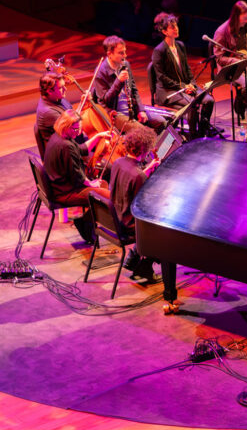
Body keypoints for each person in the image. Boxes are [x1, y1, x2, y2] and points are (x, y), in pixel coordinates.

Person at [43, 110, 112, 244]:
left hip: (63, 186)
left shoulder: (59, 137)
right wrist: (91, 184)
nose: (79, 132)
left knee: (103, 185)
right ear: (66, 126)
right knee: (106, 197)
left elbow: (80, 149)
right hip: (66, 192)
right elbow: (77, 176)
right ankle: (84, 224)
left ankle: (85, 222)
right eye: (75, 129)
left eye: (80, 127)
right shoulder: (65, 146)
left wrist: (98, 136)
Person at [108, 127, 162, 285]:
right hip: (129, 224)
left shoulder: (118, 163)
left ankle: (134, 256)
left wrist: (148, 169)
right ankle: (144, 266)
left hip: (116, 216)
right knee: (165, 229)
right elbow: (143, 208)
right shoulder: (138, 176)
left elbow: (130, 182)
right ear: (145, 150)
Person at [151, 12, 214, 138]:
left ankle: (202, 132)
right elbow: (162, 77)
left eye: (176, 26)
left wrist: (192, 85)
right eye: (172, 27)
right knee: (193, 104)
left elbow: (187, 69)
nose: (176, 29)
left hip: (184, 87)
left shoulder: (180, 45)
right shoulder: (159, 50)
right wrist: (183, 86)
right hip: (168, 92)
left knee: (209, 100)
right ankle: (193, 136)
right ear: (164, 31)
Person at [91, 35, 166, 133]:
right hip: (115, 114)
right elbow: (106, 101)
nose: (125, 55)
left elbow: (134, 89)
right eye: (121, 53)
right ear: (109, 54)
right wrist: (118, 81)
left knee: (161, 122)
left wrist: (141, 110)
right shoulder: (100, 72)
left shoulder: (125, 64)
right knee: (143, 132)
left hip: (131, 109)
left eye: (125, 52)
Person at [36, 72, 74, 153]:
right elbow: (73, 131)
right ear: (49, 91)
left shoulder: (54, 98)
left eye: (64, 86)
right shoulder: (49, 112)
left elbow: (70, 113)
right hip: (63, 153)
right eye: (61, 87)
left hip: (68, 143)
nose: (65, 89)